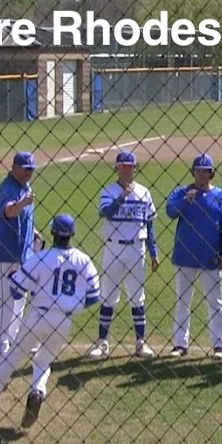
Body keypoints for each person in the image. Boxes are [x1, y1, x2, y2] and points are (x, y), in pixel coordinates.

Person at [0, 213, 101, 430]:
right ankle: (37, 390)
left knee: (11, 358)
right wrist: (71, 303)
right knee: (43, 361)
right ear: (72, 234)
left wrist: (13, 275)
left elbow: (17, 292)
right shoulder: (84, 260)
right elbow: (94, 297)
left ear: (53, 233)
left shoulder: (41, 258)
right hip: (64, 322)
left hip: (38, 316)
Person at [87, 150, 159, 360]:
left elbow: (149, 225)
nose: (126, 171)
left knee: (137, 297)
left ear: (135, 168)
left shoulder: (144, 192)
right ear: (117, 169)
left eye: (130, 167)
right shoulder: (108, 191)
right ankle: (102, 343)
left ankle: (140, 342)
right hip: (113, 248)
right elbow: (107, 213)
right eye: (123, 167)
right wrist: (122, 197)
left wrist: (154, 252)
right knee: (108, 297)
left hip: (137, 249)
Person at [165, 154, 222, 359]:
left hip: (210, 258)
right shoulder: (182, 192)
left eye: (206, 171)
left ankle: (219, 345)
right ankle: (180, 344)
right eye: (198, 171)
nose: (202, 175)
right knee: (182, 302)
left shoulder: (221, 196)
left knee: (215, 303)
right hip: (184, 257)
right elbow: (170, 212)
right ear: (193, 172)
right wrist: (186, 200)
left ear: (212, 173)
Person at [0, 151, 40, 358]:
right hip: (3, 255)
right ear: (14, 168)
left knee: (18, 299)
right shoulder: (6, 189)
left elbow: (22, 216)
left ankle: (13, 339)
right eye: (26, 169)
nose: (29, 173)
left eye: (31, 170)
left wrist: (33, 231)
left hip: (21, 255)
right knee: (3, 300)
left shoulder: (25, 187)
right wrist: (22, 204)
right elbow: (8, 212)